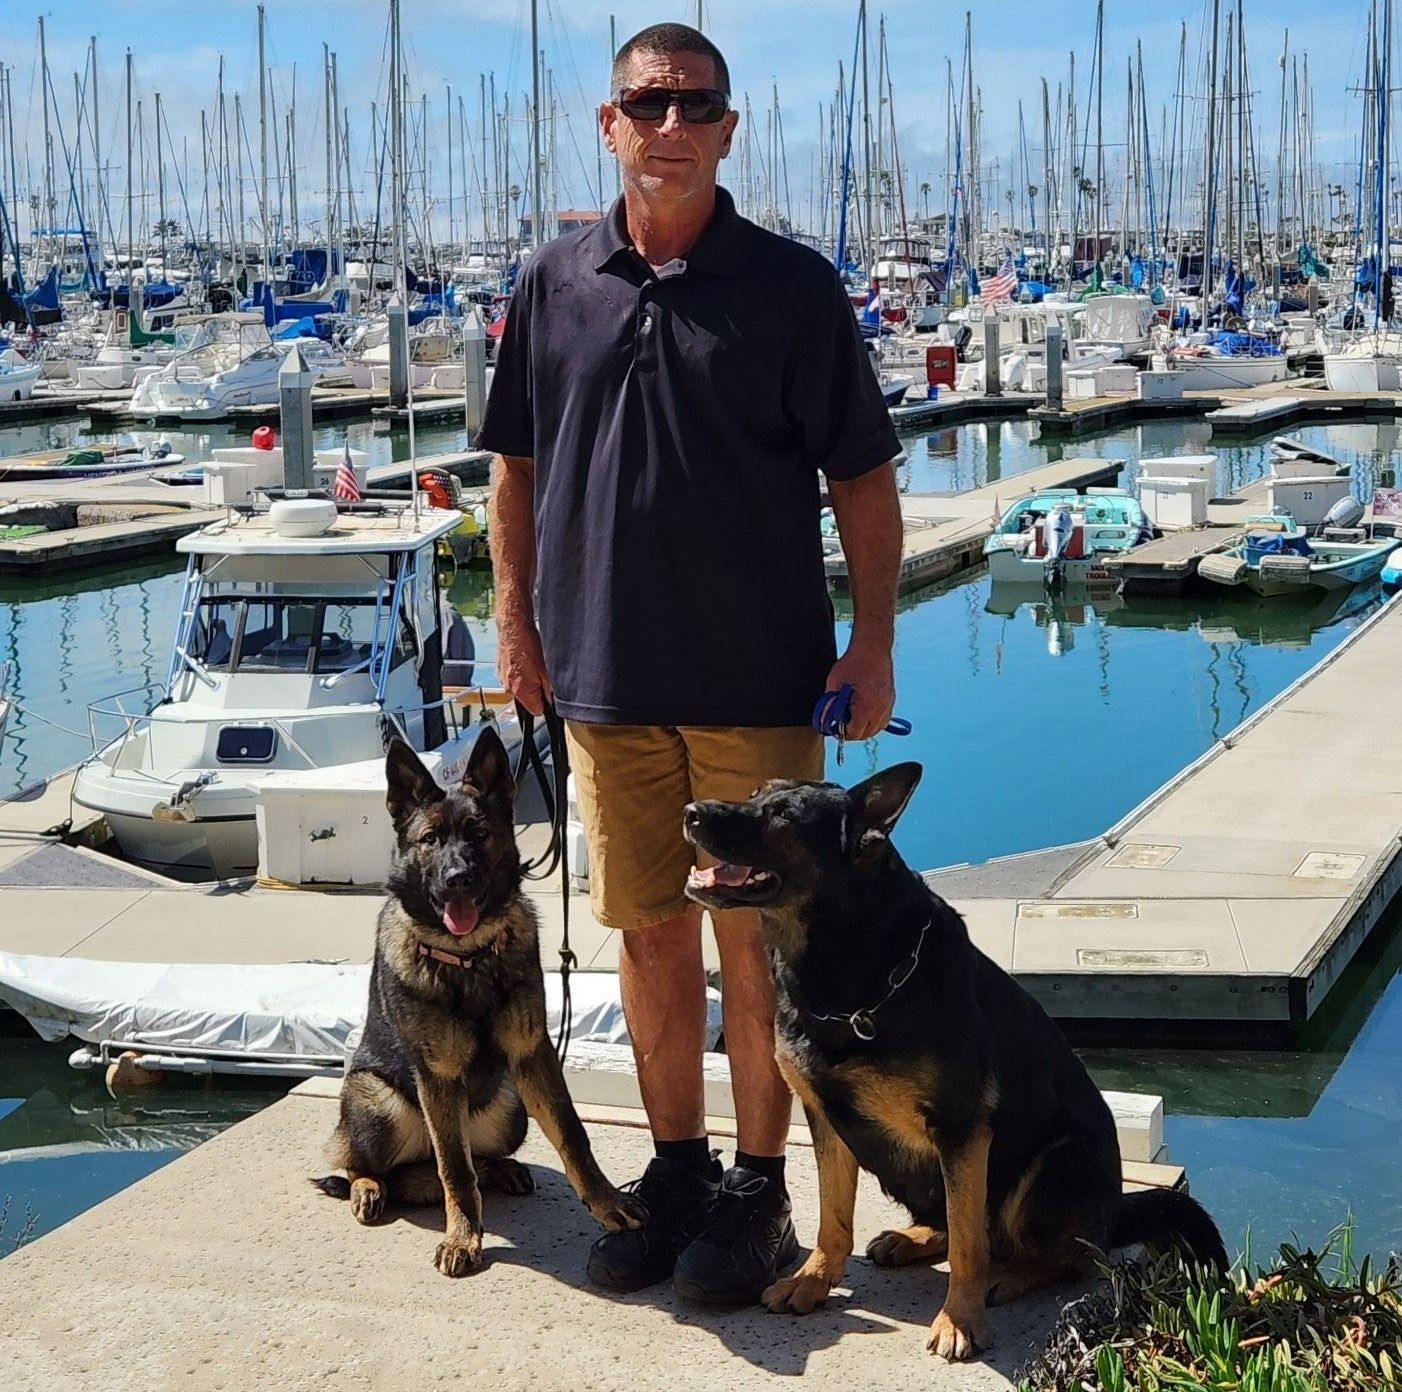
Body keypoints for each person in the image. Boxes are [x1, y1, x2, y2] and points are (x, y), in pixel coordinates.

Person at [477, 21, 902, 1306]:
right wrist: (516, 621)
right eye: (646, 104)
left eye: (695, 106)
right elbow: (514, 466)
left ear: (728, 131)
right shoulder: (553, 284)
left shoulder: (790, 288)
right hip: (606, 682)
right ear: (608, 125)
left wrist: (871, 640)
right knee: (648, 938)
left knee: (756, 948)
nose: (670, 126)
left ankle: (757, 1190)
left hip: (761, 683)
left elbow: (864, 483)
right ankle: (673, 1174)